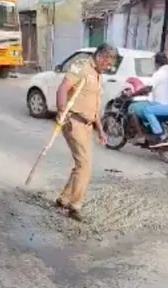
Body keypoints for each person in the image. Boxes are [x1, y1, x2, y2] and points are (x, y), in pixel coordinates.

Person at [54, 43, 119, 221]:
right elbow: (62, 89)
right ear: (101, 57)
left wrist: (100, 130)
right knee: (85, 165)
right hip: (74, 122)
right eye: (108, 63)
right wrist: (61, 111)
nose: (109, 67)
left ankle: (64, 199)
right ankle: (75, 206)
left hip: (88, 125)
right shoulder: (81, 66)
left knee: (81, 164)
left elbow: (95, 106)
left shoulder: (98, 74)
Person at [129, 52, 168, 148]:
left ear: (156, 63)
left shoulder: (159, 73)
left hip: (163, 105)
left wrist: (133, 94)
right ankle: (150, 130)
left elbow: (148, 88)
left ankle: (141, 135)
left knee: (133, 107)